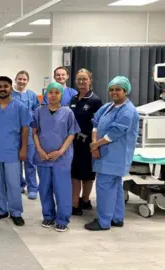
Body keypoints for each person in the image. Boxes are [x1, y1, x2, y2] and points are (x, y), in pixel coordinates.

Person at [85, 76, 139, 231]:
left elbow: (114, 133)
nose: (114, 92)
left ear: (125, 91)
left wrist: (96, 144)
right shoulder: (109, 107)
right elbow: (95, 122)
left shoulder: (128, 111)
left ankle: (103, 222)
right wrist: (95, 145)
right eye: (112, 89)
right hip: (103, 153)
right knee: (115, 188)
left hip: (114, 156)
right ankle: (116, 218)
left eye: (118, 89)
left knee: (104, 188)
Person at [32, 82, 80, 232]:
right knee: (44, 188)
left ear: (61, 95)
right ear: (46, 94)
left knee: (62, 189)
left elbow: (72, 133)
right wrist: (39, 149)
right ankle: (48, 216)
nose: (53, 95)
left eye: (56, 92)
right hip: (43, 156)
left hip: (62, 158)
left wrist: (60, 151)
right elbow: (34, 132)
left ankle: (62, 219)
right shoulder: (39, 111)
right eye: (50, 92)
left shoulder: (67, 112)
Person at [0, 76, 29, 227]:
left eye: (6, 86)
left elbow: (25, 128)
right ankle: (1, 210)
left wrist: (23, 148)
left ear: (11, 88)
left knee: (13, 183)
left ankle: (16, 212)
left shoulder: (20, 107)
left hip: (13, 150)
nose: (2, 89)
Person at [69, 69, 103, 216]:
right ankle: (74, 204)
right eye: (79, 79)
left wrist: (95, 144)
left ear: (90, 81)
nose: (81, 82)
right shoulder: (74, 99)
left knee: (88, 174)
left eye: (84, 79)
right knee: (74, 174)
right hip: (73, 142)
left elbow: (99, 124)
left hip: (88, 143)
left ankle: (85, 200)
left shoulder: (95, 100)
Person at [12, 71, 40, 199]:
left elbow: (37, 114)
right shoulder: (10, 95)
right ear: (15, 79)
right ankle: (19, 184)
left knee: (30, 161)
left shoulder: (32, 95)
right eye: (20, 79)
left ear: (27, 81)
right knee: (15, 161)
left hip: (29, 132)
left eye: (24, 79)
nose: (22, 81)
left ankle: (33, 187)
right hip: (14, 133)